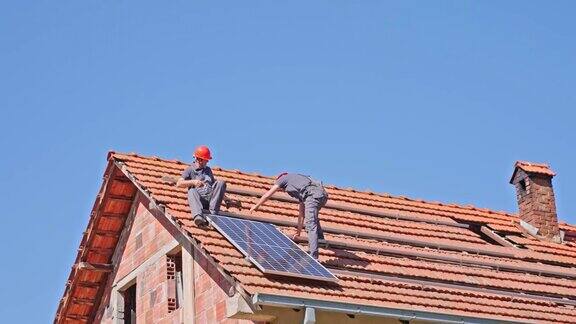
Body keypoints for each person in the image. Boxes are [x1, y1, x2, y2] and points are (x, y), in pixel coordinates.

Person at [250, 173, 329, 259]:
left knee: (310, 224)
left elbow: (268, 194)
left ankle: (313, 257)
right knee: (311, 216)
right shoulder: (301, 185)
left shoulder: (282, 179)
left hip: (313, 195)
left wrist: (256, 206)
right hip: (322, 196)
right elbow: (301, 214)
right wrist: (298, 232)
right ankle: (320, 239)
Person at [177, 145, 230, 227]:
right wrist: (193, 182)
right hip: (200, 200)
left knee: (220, 183)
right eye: (206, 160)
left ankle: (213, 215)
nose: (208, 162)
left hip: (211, 199)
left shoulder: (208, 170)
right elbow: (179, 183)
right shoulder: (190, 170)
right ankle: (198, 216)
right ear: (200, 160)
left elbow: (215, 187)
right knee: (191, 190)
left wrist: (226, 199)